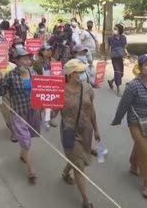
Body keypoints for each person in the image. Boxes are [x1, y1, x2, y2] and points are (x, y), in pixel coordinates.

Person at [111, 54, 147, 199]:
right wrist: (117, 120)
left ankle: (132, 164)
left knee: (140, 146)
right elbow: (123, 105)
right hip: (135, 123)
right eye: (146, 65)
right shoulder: (133, 86)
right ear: (140, 68)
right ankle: (146, 183)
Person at [51, 59, 100, 208]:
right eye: (80, 72)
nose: (83, 74)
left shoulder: (87, 89)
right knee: (79, 165)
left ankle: (65, 173)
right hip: (69, 131)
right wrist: (45, 108)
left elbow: (91, 109)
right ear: (71, 74)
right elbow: (52, 114)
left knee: (77, 157)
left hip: (85, 130)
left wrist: (96, 129)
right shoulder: (61, 90)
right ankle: (86, 200)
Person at [0, 49, 41, 184]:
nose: (27, 61)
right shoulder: (10, 75)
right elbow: (2, 92)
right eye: (24, 59)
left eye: (29, 59)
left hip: (32, 111)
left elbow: (40, 92)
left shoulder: (33, 73)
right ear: (17, 60)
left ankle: (22, 155)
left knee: (28, 139)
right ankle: (30, 171)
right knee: (26, 141)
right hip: (18, 112)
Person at [33, 43, 58, 128]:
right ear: (42, 52)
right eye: (47, 50)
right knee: (40, 104)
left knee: (50, 103)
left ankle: (50, 119)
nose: (49, 52)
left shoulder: (54, 61)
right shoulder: (37, 62)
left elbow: (58, 74)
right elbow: (34, 74)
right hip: (41, 85)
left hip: (51, 85)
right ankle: (38, 119)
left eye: (50, 50)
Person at [0, 60, 17, 142]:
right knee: (7, 114)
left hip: (14, 94)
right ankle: (13, 131)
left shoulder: (13, 66)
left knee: (15, 114)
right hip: (2, 95)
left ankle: (15, 130)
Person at [107, 24, 129, 96]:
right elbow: (108, 47)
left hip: (120, 57)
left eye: (116, 29)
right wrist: (106, 57)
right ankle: (118, 90)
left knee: (121, 74)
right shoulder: (110, 38)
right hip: (114, 58)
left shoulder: (123, 38)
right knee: (117, 72)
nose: (114, 30)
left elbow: (124, 47)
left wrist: (127, 53)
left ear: (120, 30)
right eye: (114, 28)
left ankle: (111, 81)